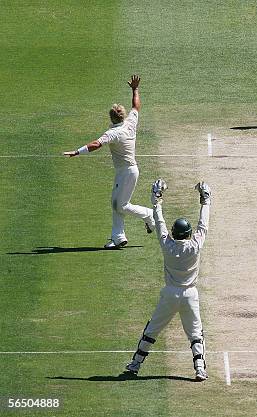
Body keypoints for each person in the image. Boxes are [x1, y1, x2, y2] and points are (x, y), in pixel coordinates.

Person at [124, 179, 212, 381]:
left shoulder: (167, 245)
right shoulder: (195, 245)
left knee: (152, 329)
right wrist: (205, 200)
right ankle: (200, 369)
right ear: (189, 234)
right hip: (190, 294)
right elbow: (203, 225)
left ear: (174, 233)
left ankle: (135, 364)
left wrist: (156, 200)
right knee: (195, 333)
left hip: (170, 293)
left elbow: (159, 221)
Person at [63, 75, 154, 249]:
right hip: (127, 172)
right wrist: (135, 89)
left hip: (126, 172)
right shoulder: (130, 123)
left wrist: (77, 152)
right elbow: (136, 106)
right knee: (116, 202)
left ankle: (148, 215)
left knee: (121, 205)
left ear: (111, 118)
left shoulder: (113, 133)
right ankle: (118, 237)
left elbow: (96, 144)